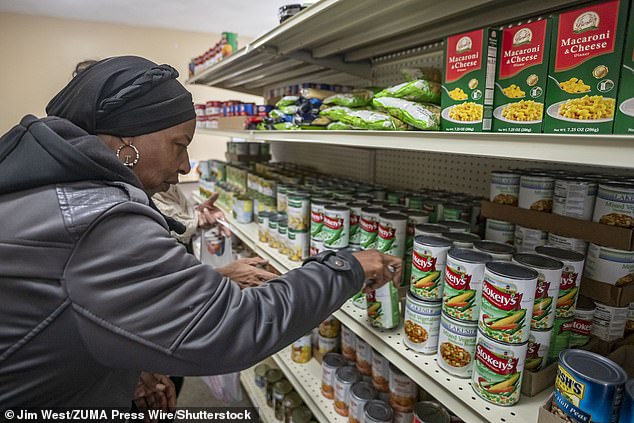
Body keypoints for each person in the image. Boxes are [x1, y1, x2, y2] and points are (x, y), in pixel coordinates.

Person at [0, 56, 402, 408]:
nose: (187, 166)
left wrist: (116, 364)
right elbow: (237, 326)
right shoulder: (98, 220)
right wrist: (346, 267)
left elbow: (68, 316)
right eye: (180, 144)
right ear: (128, 141)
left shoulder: (57, 189)